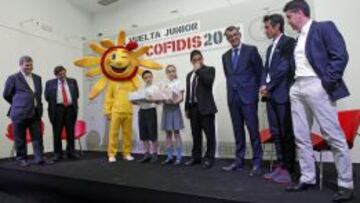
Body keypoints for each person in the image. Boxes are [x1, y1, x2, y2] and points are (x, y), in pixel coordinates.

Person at [283, 0, 354, 201]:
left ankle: (346, 183)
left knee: (333, 135)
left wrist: (325, 82)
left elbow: (340, 56)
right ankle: (307, 178)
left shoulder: (324, 27)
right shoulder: (297, 39)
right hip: (297, 87)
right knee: (301, 136)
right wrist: (293, 87)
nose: (288, 21)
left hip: (317, 85)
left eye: (288, 16)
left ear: (299, 13)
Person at [221, 26, 264, 176]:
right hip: (233, 99)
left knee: (253, 131)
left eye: (235, 35)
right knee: (238, 132)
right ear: (227, 39)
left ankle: (257, 162)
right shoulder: (225, 56)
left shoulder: (251, 50)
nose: (233, 38)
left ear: (239, 34)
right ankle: (239, 161)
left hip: (248, 98)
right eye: (230, 36)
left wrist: (259, 90)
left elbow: (260, 72)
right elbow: (229, 76)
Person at [260, 14, 297, 184]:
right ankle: (281, 165)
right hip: (270, 96)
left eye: (267, 27)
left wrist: (269, 86)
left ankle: (289, 169)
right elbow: (266, 69)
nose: (265, 30)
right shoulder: (269, 48)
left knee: (285, 132)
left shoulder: (289, 42)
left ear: (277, 27)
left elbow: (284, 68)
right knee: (275, 132)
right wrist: (262, 85)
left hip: (282, 94)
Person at [3, 56, 52, 166]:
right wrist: (18, 104)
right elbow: (6, 94)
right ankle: (21, 158)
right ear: (20, 65)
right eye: (26, 65)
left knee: (37, 137)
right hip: (19, 113)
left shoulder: (37, 78)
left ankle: (39, 158)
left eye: (31, 65)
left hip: (35, 112)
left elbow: (37, 95)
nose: (29, 67)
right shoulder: (13, 78)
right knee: (20, 137)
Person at [184, 50, 217, 169]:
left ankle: (209, 158)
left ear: (202, 59)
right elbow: (189, 92)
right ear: (191, 61)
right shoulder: (189, 75)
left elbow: (208, 82)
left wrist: (198, 70)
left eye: (199, 59)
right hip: (193, 109)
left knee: (209, 135)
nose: (197, 61)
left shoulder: (209, 70)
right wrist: (186, 108)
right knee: (195, 134)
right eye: (194, 60)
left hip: (206, 108)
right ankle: (196, 157)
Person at [45, 66, 80, 161]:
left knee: (70, 132)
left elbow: (76, 95)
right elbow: (47, 97)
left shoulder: (72, 81)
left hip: (70, 109)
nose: (63, 75)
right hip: (57, 109)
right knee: (57, 132)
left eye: (64, 73)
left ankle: (71, 152)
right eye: (60, 74)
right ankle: (57, 153)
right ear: (56, 75)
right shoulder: (50, 83)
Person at [161, 65, 185, 166]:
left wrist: (174, 101)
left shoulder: (178, 82)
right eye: (169, 72)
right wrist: (161, 99)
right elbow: (160, 96)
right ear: (166, 73)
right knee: (168, 134)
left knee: (176, 133)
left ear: (175, 72)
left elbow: (181, 98)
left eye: (173, 71)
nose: (171, 73)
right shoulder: (164, 84)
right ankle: (169, 156)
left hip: (175, 109)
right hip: (166, 108)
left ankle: (179, 157)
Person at [135, 70, 159, 164]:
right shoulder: (141, 88)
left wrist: (151, 99)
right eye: (146, 77)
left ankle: (155, 154)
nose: (148, 79)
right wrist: (134, 101)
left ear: (152, 77)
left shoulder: (155, 88)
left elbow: (158, 101)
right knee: (143, 134)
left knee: (152, 133)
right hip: (142, 111)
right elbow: (138, 100)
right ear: (143, 79)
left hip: (151, 111)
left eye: (149, 77)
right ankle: (146, 154)